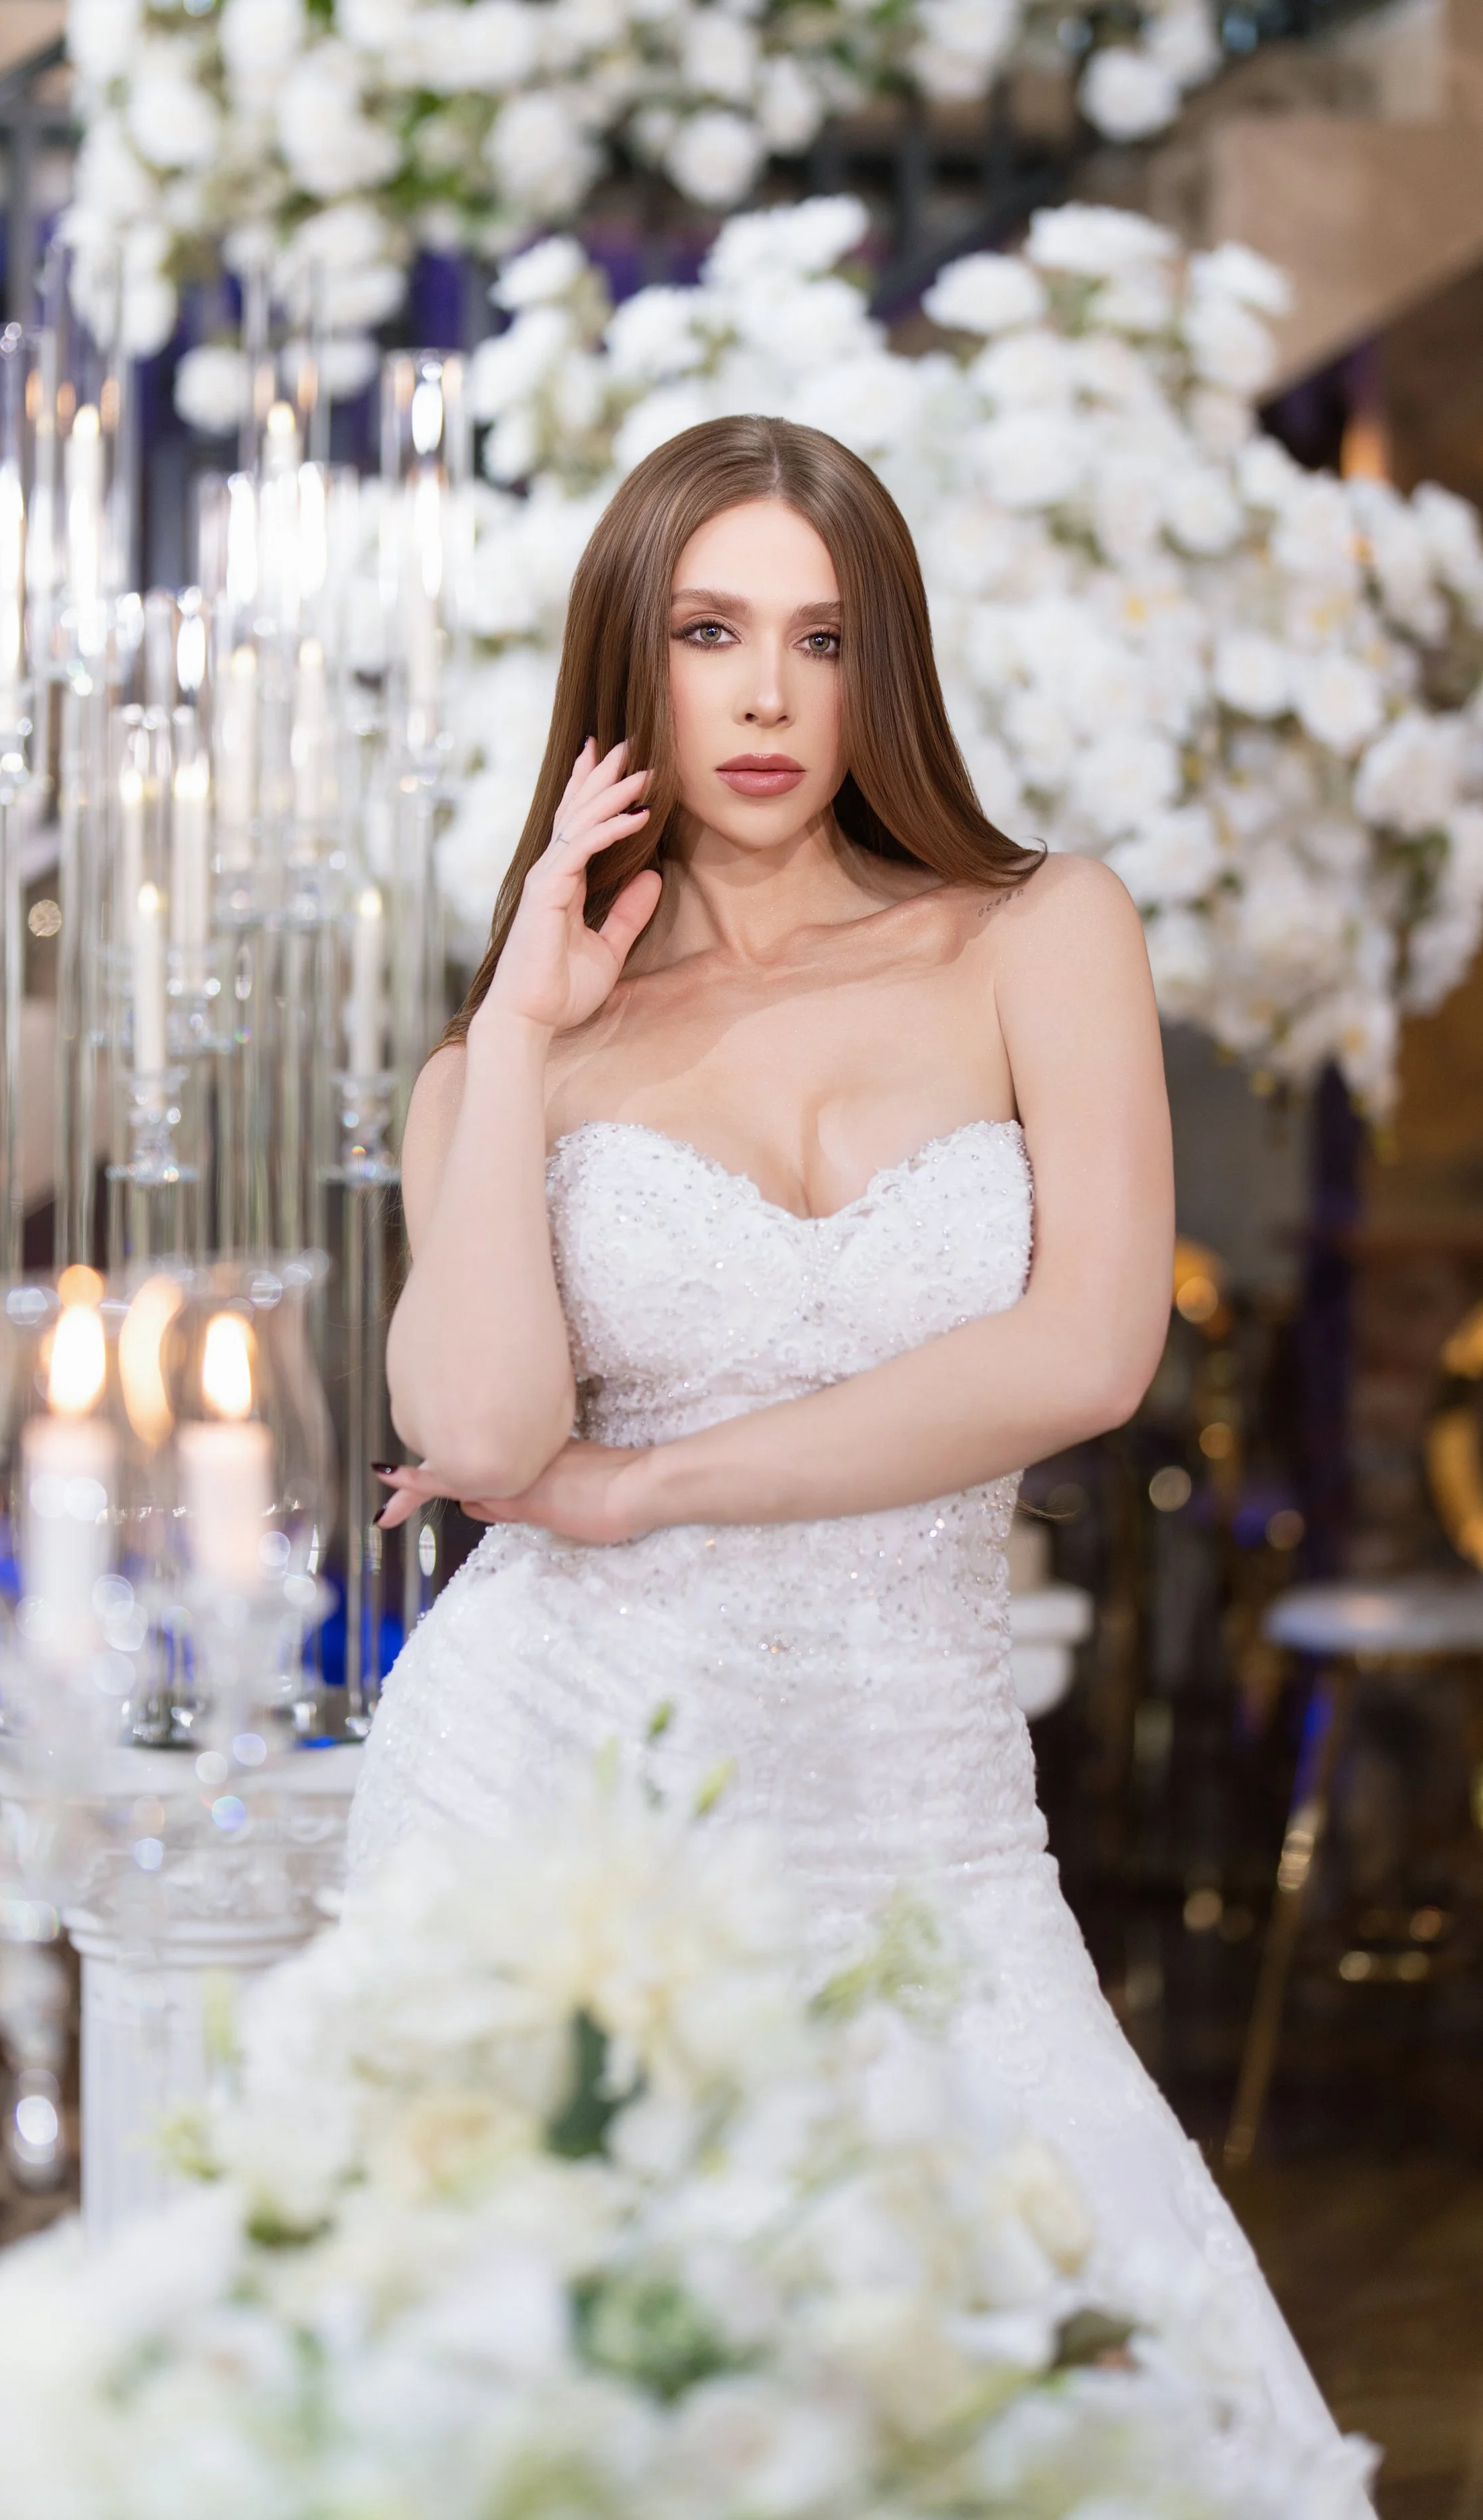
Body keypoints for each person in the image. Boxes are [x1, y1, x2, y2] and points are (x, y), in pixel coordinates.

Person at [346, 414, 1371, 2498]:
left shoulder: (1033, 931)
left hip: (917, 1800)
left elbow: (1083, 1349)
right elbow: (477, 1434)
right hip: (554, 1787)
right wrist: (524, 1037)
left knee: (1076, 2374)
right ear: (625, 666)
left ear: (876, 671)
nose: (761, 693)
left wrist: (655, 1486)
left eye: (818, 640)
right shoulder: (515, 1051)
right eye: (709, 630)